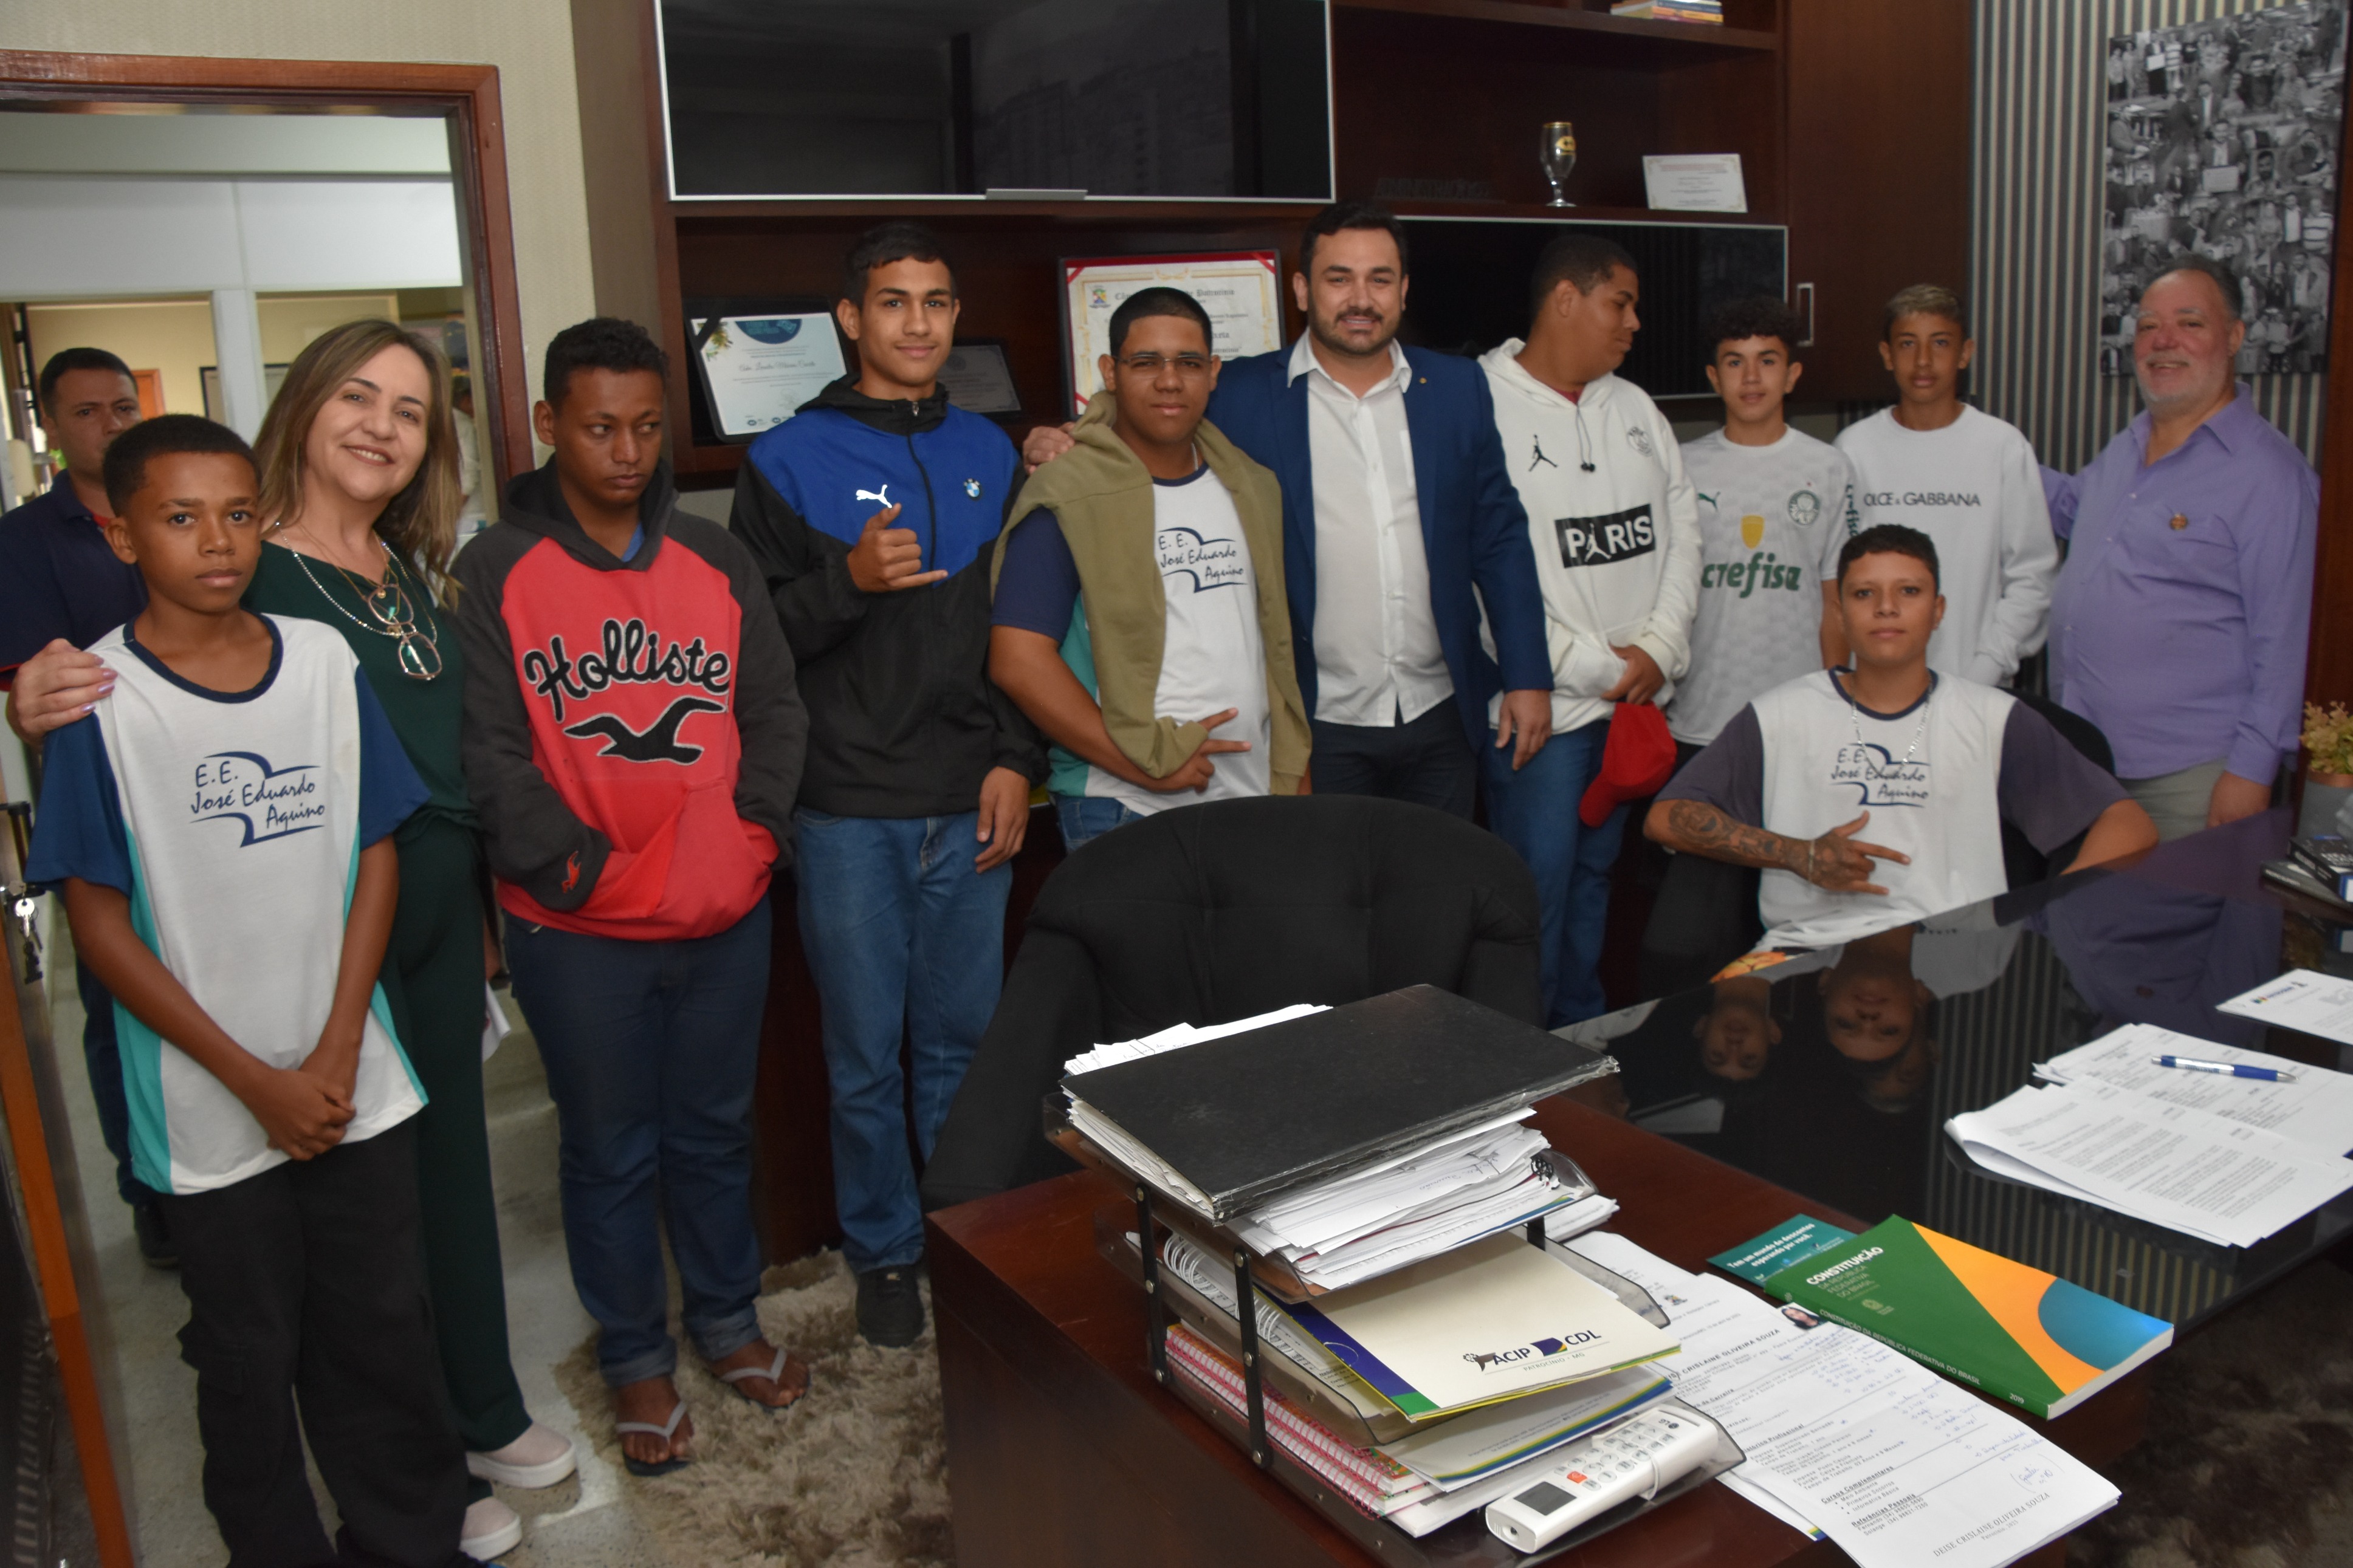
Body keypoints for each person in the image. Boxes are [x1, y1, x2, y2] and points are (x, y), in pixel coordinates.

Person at [26, 414, 474, 1568]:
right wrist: (254, 1080)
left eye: (236, 514)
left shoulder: (321, 661)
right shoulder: (98, 700)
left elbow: (377, 848)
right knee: (246, 1350)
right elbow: (98, 924)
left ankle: (410, 1538)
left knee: (382, 1327)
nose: (216, 541)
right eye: (180, 518)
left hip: (351, 1077)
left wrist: (335, 1047)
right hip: (208, 1108)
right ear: (122, 536)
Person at [455, 318, 810, 1477]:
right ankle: (634, 1358)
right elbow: (489, 753)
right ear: (548, 424)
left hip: (721, 912)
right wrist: (576, 871)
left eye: (648, 428)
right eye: (600, 428)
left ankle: (726, 1321)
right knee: (609, 1149)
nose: (626, 453)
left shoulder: (714, 555)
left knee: (713, 1130)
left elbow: (773, 709)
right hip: (576, 929)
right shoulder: (494, 570)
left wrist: (753, 842)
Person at [241, 319, 572, 1558]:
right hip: (336, 929)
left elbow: (452, 756)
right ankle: (417, 1461)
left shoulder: (409, 572)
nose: (381, 427)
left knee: (450, 1181)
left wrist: (481, 917)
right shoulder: (247, 569)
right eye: (356, 397)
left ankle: (482, 1405)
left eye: (410, 410)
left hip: (441, 917)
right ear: (304, 406)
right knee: (365, 1218)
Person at [727, 224, 1040, 1347]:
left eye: (938, 302)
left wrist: (1016, 759)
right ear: (851, 318)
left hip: (973, 796)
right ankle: (888, 1254)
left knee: (965, 1047)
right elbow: (752, 646)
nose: (919, 323)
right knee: (864, 1061)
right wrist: (849, 581)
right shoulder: (785, 458)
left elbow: (1023, 629)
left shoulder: (993, 450)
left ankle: (963, 1238)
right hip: (849, 807)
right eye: (895, 302)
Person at [1025, 202, 1551, 817]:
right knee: (1322, 879)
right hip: (1313, 720)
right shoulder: (1241, 394)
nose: (1361, 298)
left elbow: (1499, 537)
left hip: (1440, 713)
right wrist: (1066, 439)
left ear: (1404, 290)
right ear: (1302, 290)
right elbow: (1152, 411)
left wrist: (1527, 675)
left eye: (1379, 279)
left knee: (1434, 877)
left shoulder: (1458, 388)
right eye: (1339, 278)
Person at [1644, 526, 2156, 953]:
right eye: (1864, 593)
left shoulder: (1995, 718)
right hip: (1803, 951)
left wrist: (2052, 915)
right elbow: (1664, 817)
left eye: (1908, 591)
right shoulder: (1780, 714)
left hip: (1953, 952)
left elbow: (2128, 825)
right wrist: (1795, 853)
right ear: (1839, 613)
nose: (1886, 608)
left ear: (1938, 610)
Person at [989, 287, 1308, 847]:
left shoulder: (1252, 485)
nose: (1169, 381)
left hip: (1254, 796)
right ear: (1110, 372)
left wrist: (1294, 772)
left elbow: (1273, 649)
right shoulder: (1069, 491)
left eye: (1189, 363)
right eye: (1145, 362)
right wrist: (1145, 766)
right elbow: (1018, 660)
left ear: (1213, 373)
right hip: (1123, 804)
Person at [1474, 234, 1699, 1025]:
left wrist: (1660, 649)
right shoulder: (1479, 403)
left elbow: (1682, 531)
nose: (1633, 323)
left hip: (1632, 712)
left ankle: (1582, 1039)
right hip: (1544, 717)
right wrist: (1597, 668)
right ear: (1565, 299)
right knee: (1531, 895)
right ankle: (1523, 1057)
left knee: (1596, 881)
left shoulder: (1634, 407)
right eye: (1620, 303)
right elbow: (1475, 570)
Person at [2043, 254, 2319, 841]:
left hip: (2189, 780)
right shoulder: (2128, 445)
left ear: (2234, 337)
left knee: (2177, 905)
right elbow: (2072, 509)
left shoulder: (2271, 476)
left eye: (2190, 323)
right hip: (2086, 761)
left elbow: (2288, 640)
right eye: (2148, 325)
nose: (2163, 341)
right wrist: (1981, 450)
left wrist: (2251, 771)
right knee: (2089, 902)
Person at [0, 347, 168, 1265]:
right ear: (55, 427)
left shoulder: (174, 507)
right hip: (102, 802)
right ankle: (147, 1188)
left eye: (123, 407)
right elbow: (33, 696)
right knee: (117, 1004)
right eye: (88, 412)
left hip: (201, 795)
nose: (110, 424)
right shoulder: (27, 541)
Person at [1833, 286, 2057, 686]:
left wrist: (1986, 669)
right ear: (1887, 354)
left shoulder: (2002, 447)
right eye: (1907, 344)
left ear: (1965, 353)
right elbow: (1836, 579)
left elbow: (2033, 577)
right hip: (1873, 687)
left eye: (1940, 343)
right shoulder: (1853, 449)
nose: (1923, 360)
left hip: (1978, 686)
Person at [1672, 298, 1859, 757]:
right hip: (1698, 715)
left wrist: (1835, 697)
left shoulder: (1830, 467)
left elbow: (1837, 597)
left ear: (1792, 375)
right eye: (1735, 362)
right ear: (1714, 377)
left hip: (1799, 714)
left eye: (1767, 361)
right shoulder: (1680, 466)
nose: (1751, 378)